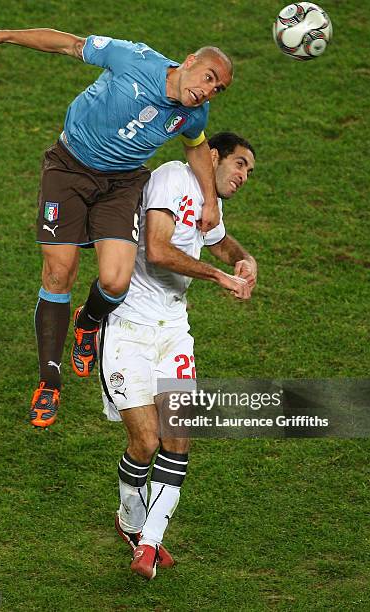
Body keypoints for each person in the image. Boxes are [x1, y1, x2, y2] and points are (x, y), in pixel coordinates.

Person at [0, 27, 234, 427]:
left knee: (116, 281)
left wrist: (210, 200)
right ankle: (49, 382)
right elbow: (68, 43)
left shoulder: (194, 113)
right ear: (190, 60)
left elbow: (195, 147)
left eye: (218, 88)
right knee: (58, 271)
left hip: (120, 185)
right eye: (209, 77)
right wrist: (1, 36)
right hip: (67, 169)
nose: (209, 90)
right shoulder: (133, 59)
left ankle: (88, 321)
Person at [98, 132, 257, 579]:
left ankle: (149, 544)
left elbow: (219, 240)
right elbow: (158, 248)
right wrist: (218, 277)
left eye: (249, 171)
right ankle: (130, 519)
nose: (245, 175)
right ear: (212, 156)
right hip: (129, 328)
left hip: (173, 332)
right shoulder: (173, 177)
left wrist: (242, 258)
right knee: (145, 442)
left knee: (179, 437)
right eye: (240, 164)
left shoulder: (211, 202)